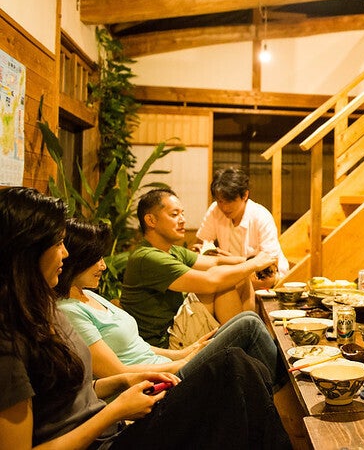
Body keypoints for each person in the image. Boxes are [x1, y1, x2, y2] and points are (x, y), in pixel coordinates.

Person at [0, 186, 290, 450]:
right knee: (234, 364)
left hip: (118, 419)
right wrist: (115, 411)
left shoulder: (43, 311)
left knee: (243, 368)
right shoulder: (9, 345)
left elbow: (73, 393)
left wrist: (126, 380)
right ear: (28, 250)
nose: (65, 253)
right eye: (58, 243)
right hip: (107, 438)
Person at [56, 218, 283, 386]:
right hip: (160, 382)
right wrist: (181, 364)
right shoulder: (69, 311)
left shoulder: (90, 294)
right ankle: (282, 392)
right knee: (248, 326)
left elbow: (138, 347)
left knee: (248, 318)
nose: (104, 266)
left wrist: (187, 353)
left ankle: (278, 390)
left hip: (166, 363)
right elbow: (118, 373)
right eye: (96, 259)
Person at [121, 188, 276, 349]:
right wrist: (254, 264)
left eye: (182, 214)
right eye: (174, 214)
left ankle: (248, 342)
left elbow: (216, 262)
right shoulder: (147, 257)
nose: (182, 220)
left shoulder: (172, 250)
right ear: (151, 220)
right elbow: (211, 281)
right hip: (165, 343)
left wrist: (257, 261)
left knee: (238, 275)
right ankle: (247, 344)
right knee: (225, 283)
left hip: (179, 325)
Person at [195, 167, 290, 290]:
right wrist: (201, 251)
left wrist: (230, 260)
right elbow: (200, 245)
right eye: (220, 201)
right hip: (234, 273)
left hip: (264, 276)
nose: (224, 207)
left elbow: (270, 264)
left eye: (229, 201)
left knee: (231, 281)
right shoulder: (215, 210)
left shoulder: (261, 216)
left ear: (245, 195)